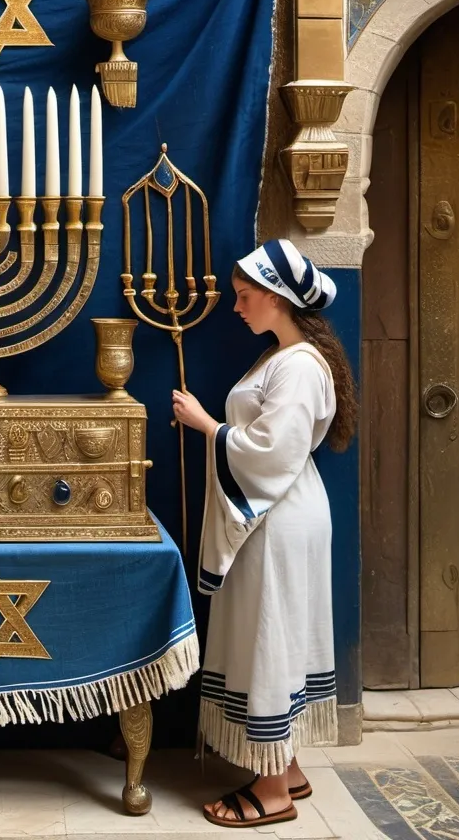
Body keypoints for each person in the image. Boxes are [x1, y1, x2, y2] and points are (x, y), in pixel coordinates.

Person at [171, 239, 357, 829]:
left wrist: (207, 425)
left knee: (271, 633)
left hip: (277, 516)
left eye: (245, 296)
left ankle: (272, 791)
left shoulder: (299, 365)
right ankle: (288, 766)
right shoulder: (280, 356)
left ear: (277, 299)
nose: (236, 307)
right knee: (272, 629)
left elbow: (274, 453)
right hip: (273, 514)